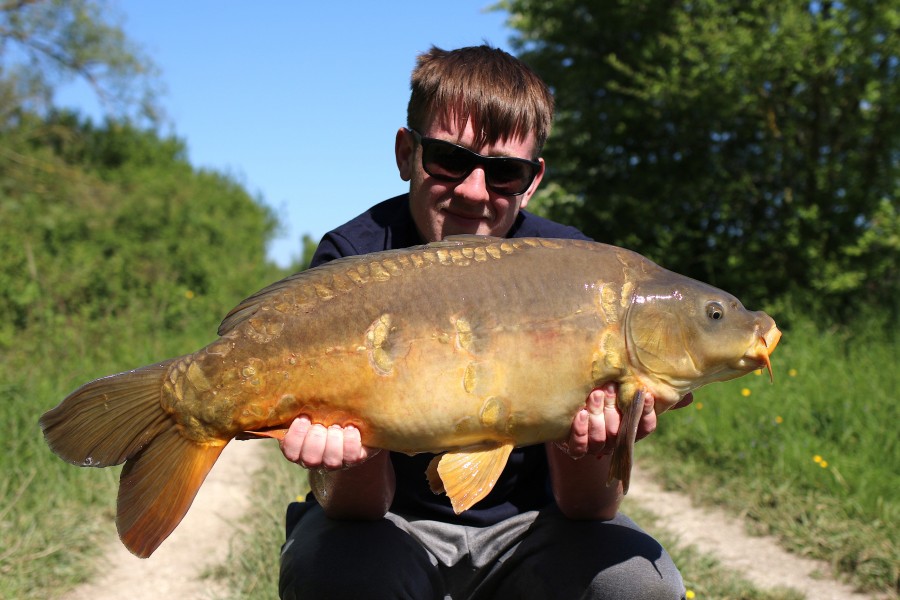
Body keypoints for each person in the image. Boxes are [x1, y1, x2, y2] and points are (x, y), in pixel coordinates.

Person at [278, 45, 688, 600]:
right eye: (449, 159)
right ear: (407, 153)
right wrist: (347, 457)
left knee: (638, 584)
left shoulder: (577, 270)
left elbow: (587, 508)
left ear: (533, 179)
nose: (474, 191)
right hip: (388, 527)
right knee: (331, 572)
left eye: (504, 172)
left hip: (532, 530)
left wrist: (585, 445)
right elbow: (358, 507)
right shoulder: (355, 261)